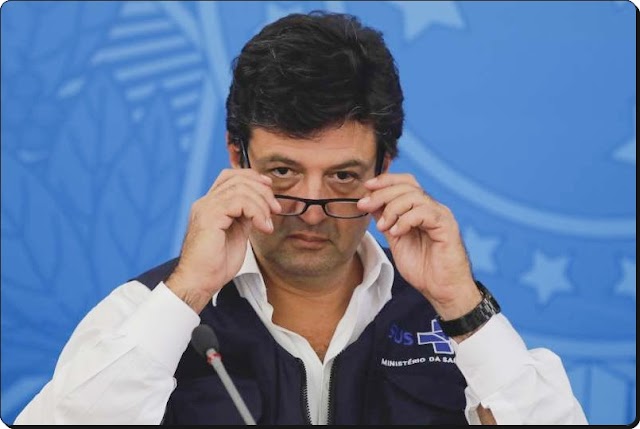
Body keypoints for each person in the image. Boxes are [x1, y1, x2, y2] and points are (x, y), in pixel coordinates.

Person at [14, 11, 588, 425]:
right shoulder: (145, 310)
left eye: (343, 177)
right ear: (237, 156)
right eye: (284, 172)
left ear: (384, 167)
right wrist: (186, 293)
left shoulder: (452, 318)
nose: (311, 212)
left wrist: (461, 304)